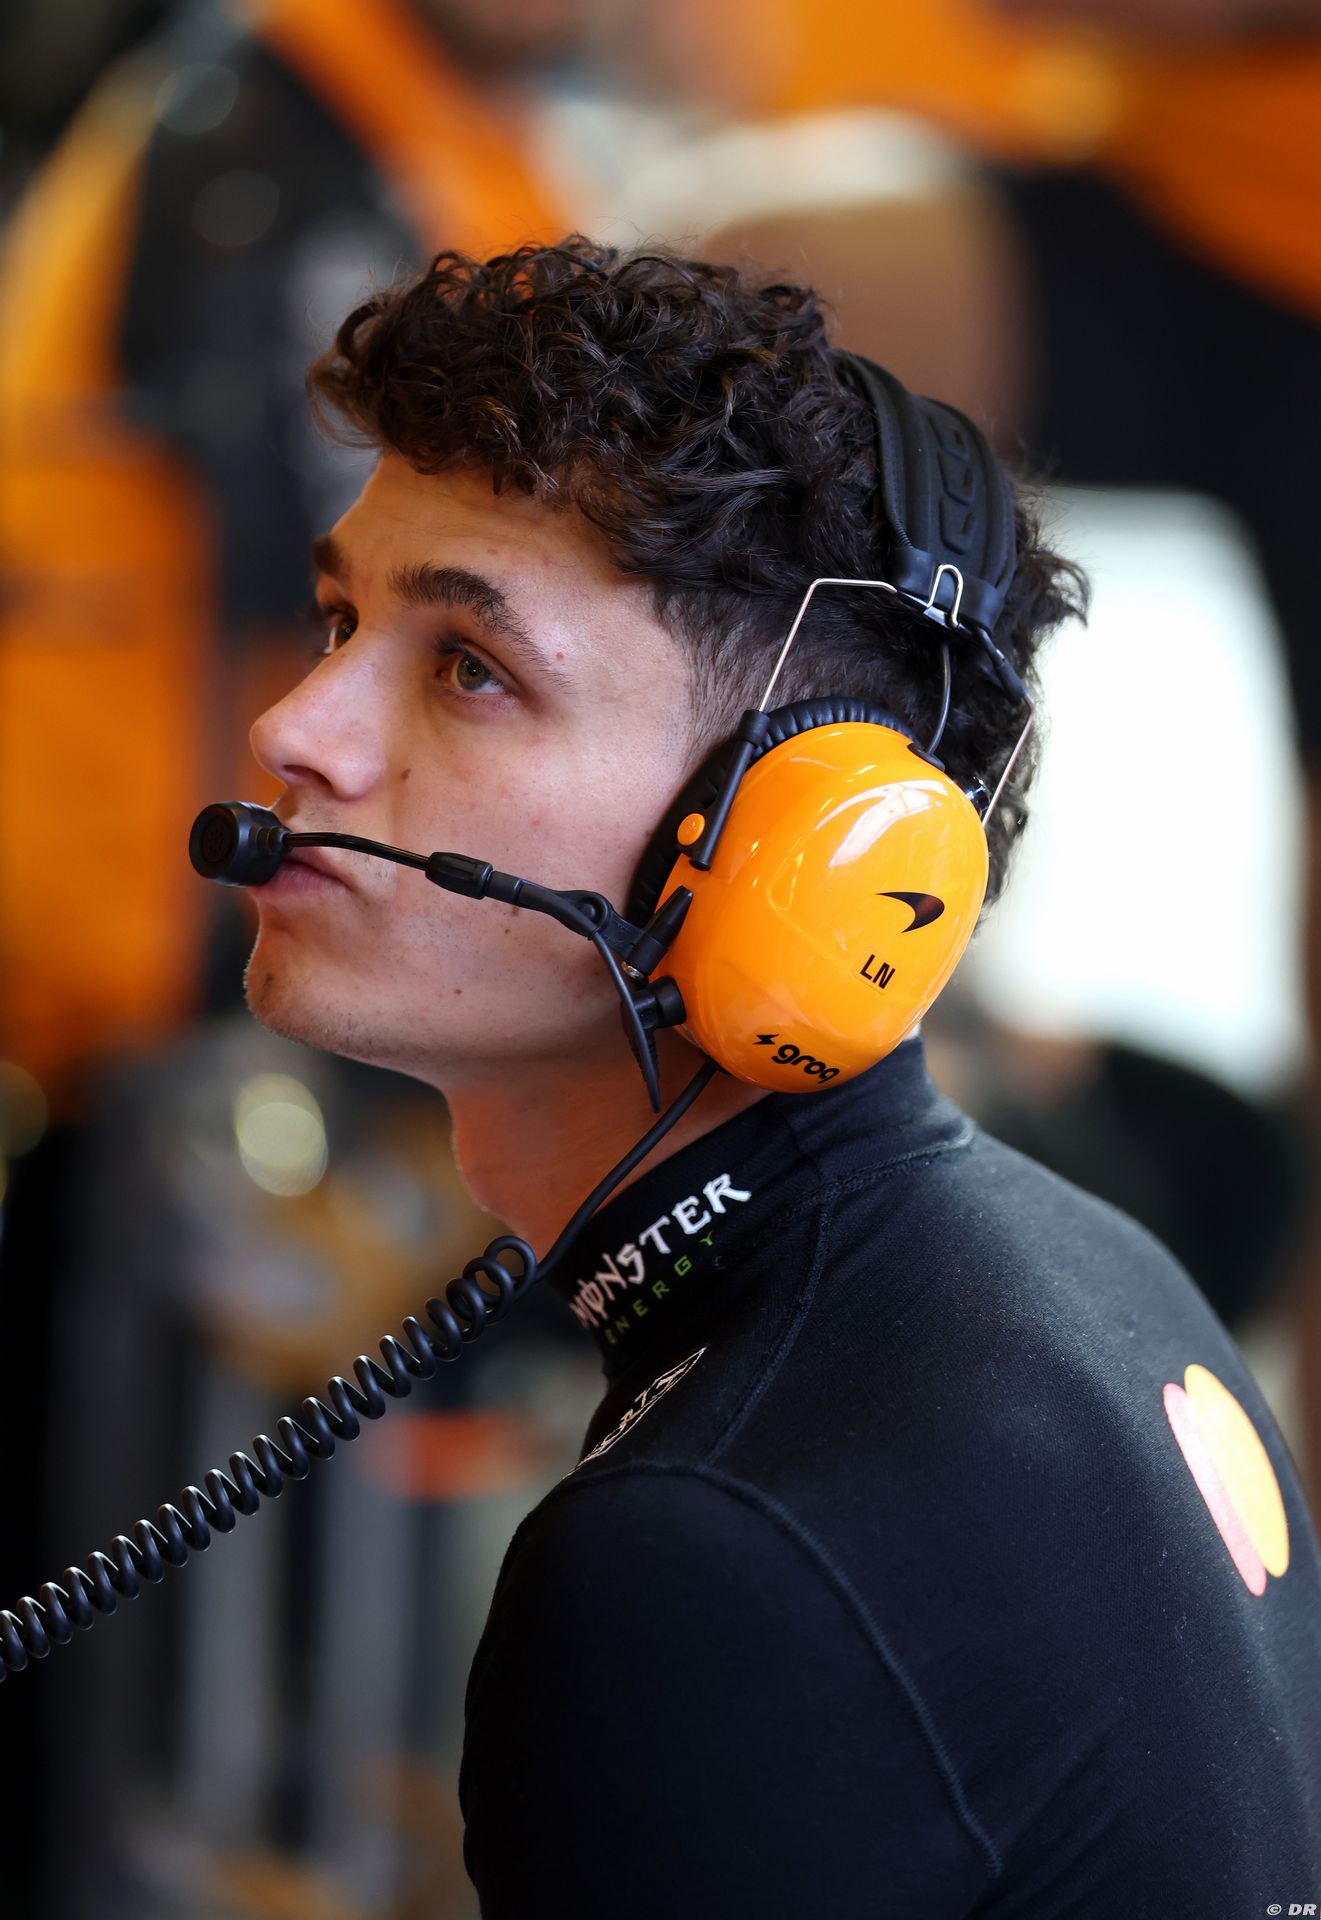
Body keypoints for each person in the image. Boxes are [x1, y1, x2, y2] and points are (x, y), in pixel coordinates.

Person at [239, 236, 1321, 1915]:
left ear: (785, 855)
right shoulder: (1086, 1278)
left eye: (468, 668)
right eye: (336, 620)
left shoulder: (709, 1548)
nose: (295, 729)